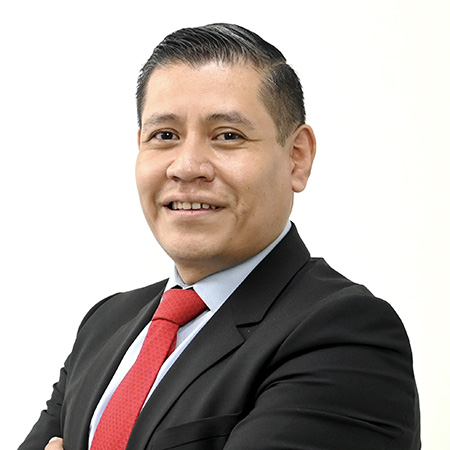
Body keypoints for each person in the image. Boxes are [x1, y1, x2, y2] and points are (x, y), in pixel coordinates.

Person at [19, 23, 420, 450]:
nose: (186, 166)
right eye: (164, 136)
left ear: (297, 157)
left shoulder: (344, 335)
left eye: (228, 136)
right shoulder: (105, 324)